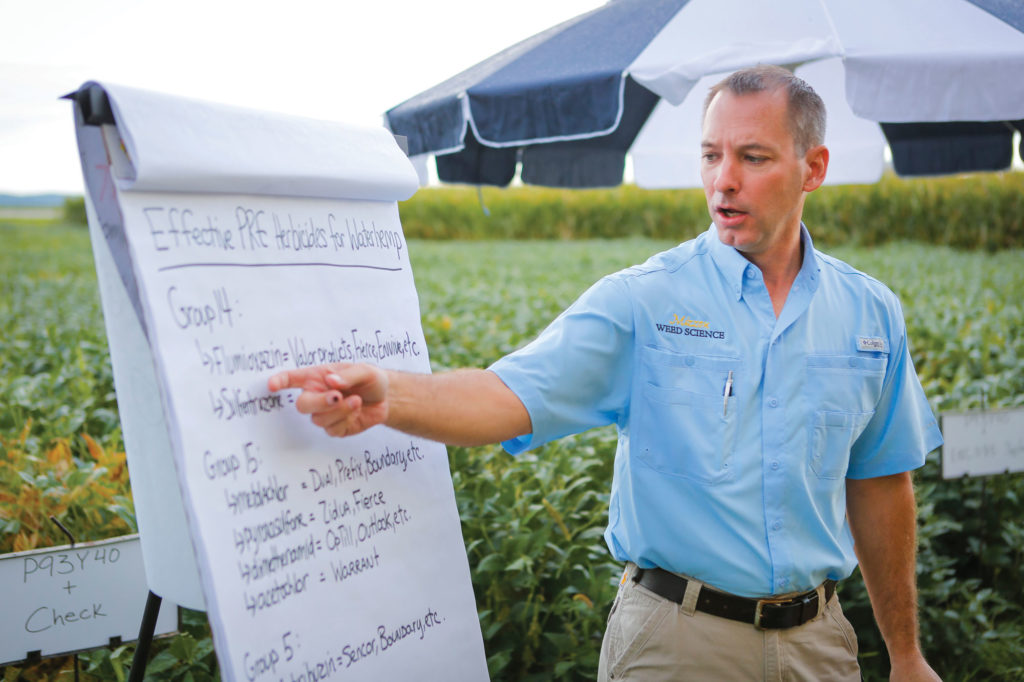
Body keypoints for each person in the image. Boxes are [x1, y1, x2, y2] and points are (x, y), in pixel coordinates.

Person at [268, 65, 944, 681]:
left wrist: (906, 654)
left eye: (752, 157)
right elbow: (507, 395)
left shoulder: (869, 316)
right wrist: (393, 396)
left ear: (813, 167)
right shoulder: (644, 300)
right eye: (711, 156)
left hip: (820, 649)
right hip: (676, 645)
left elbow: (882, 482)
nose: (723, 180)